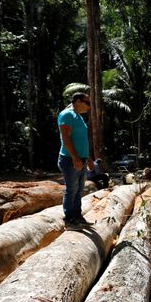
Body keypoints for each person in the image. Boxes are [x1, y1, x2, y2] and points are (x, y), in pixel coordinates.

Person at [57, 92, 93, 228]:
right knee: (71, 189)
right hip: (69, 159)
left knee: (79, 190)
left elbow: (82, 141)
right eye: (87, 103)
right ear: (77, 101)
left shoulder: (79, 117)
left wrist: (88, 158)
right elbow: (66, 139)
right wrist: (75, 158)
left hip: (81, 159)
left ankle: (77, 216)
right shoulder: (67, 115)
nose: (89, 106)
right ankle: (69, 219)